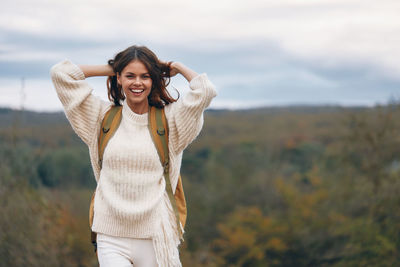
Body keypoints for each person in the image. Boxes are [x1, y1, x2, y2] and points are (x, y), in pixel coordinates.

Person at [50, 45, 217, 267]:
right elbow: (61, 74)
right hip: (110, 235)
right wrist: (113, 68)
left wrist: (175, 66)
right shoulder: (101, 118)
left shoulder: (170, 121)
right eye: (130, 76)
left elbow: (205, 90)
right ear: (118, 78)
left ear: (154, 80)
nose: (137, 83)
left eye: (145, 76)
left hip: (155, 236)